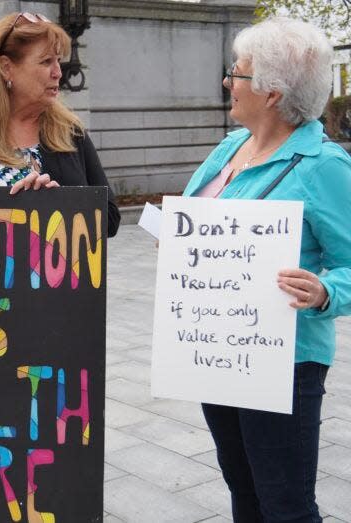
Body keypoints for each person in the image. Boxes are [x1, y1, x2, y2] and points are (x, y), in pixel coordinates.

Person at [181, 18, 351, 522]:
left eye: (238, 73)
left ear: (272, 92)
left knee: (286, 506)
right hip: (217, 351)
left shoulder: (324, 165)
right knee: (244, 490)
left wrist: (324, 290)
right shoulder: (231, 147)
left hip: (284, 363)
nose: (229, 82)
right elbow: (192, 218)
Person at [0, 12, 120, 237]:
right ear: (6, 67)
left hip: (60, 272)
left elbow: (110, 219)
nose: (58, 73)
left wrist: (62, 204)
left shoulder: (71, 133)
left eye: (58, 60)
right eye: (46, 61)